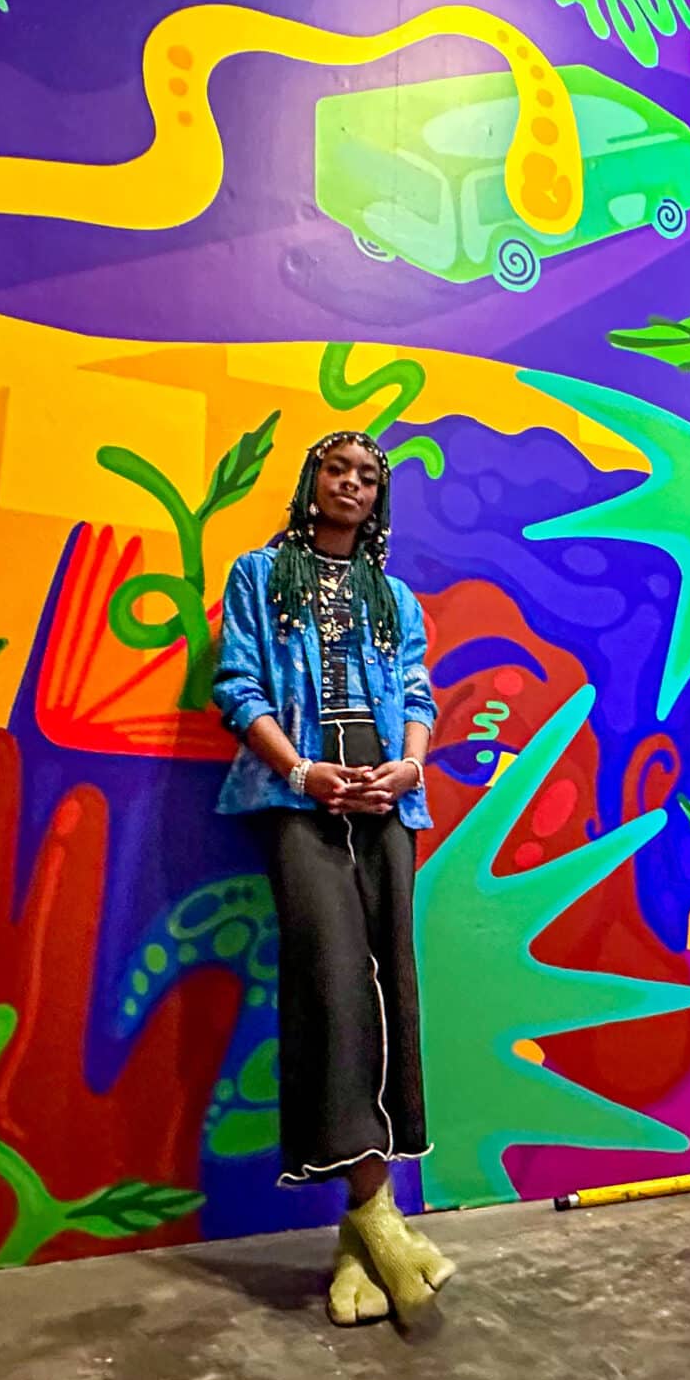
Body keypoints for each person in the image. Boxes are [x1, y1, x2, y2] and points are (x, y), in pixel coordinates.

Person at [210, 428, 455, 1327]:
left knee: (394, 996)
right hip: (304, 804)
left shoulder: (395, 598)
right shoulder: (259, 575)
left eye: (367, 476)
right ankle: (379, 1213)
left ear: (378, 498)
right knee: (330, 991)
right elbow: (236, 686)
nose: (351, 483)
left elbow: (421, 695)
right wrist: (301, 772)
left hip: (387, 809)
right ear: (312, 482)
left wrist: (412, 766)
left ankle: (362, 1234)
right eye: (337, 469)